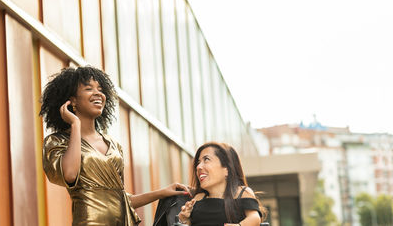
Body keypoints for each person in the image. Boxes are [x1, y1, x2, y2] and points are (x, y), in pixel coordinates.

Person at [40, 66, 190, 226]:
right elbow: (69, 174)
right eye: (89, 88)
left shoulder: (114, 145)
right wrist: (75, 124)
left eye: (100, 89)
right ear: (72, 100)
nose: (98, 93)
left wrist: (162, 192)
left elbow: (122, 200)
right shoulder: (58, 141)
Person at [178, 142, 267, 226]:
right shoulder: (198, 198)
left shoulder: (242, 192)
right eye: (198, 162)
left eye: (206, 159)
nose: (198, 167)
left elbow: (255, 218)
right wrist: (184, 218)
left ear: (227, 169)